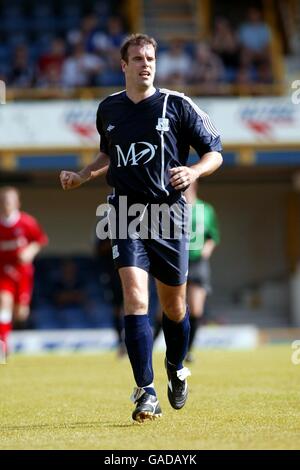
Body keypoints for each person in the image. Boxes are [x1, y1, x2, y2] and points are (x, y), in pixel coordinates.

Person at [60, 33, 223, 422]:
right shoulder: (109, 109)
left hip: (169, 214)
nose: (145, 63)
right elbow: (108, 153)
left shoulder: (177, 105)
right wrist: (83, 176)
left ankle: (175, 367)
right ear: (124, 65)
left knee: (175, 306)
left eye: (150, 57)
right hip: (124, 213)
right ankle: (145, 391)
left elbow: (214, 151)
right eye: (137, 58)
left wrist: (194, 169)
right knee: (135, 298)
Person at [0, 187, 48, 359]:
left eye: (10, 200)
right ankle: (3, 345)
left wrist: (29, 251)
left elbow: (40, 240)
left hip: (23, 273)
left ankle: (6, 334)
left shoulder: (27, 222)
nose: (7, 204)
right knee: (3, 303)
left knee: (20, 313)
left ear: (17, 203)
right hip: (3, 273)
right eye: (4, 200)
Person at [185, 181, 220, 362]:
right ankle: (150, 347)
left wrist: (207, 248)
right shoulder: (172, 208)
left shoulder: (206, 209)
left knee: (196, 309)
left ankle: (188, 350)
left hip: (198, 263)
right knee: (165, 310)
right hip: (178, 261)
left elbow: (213, 236)